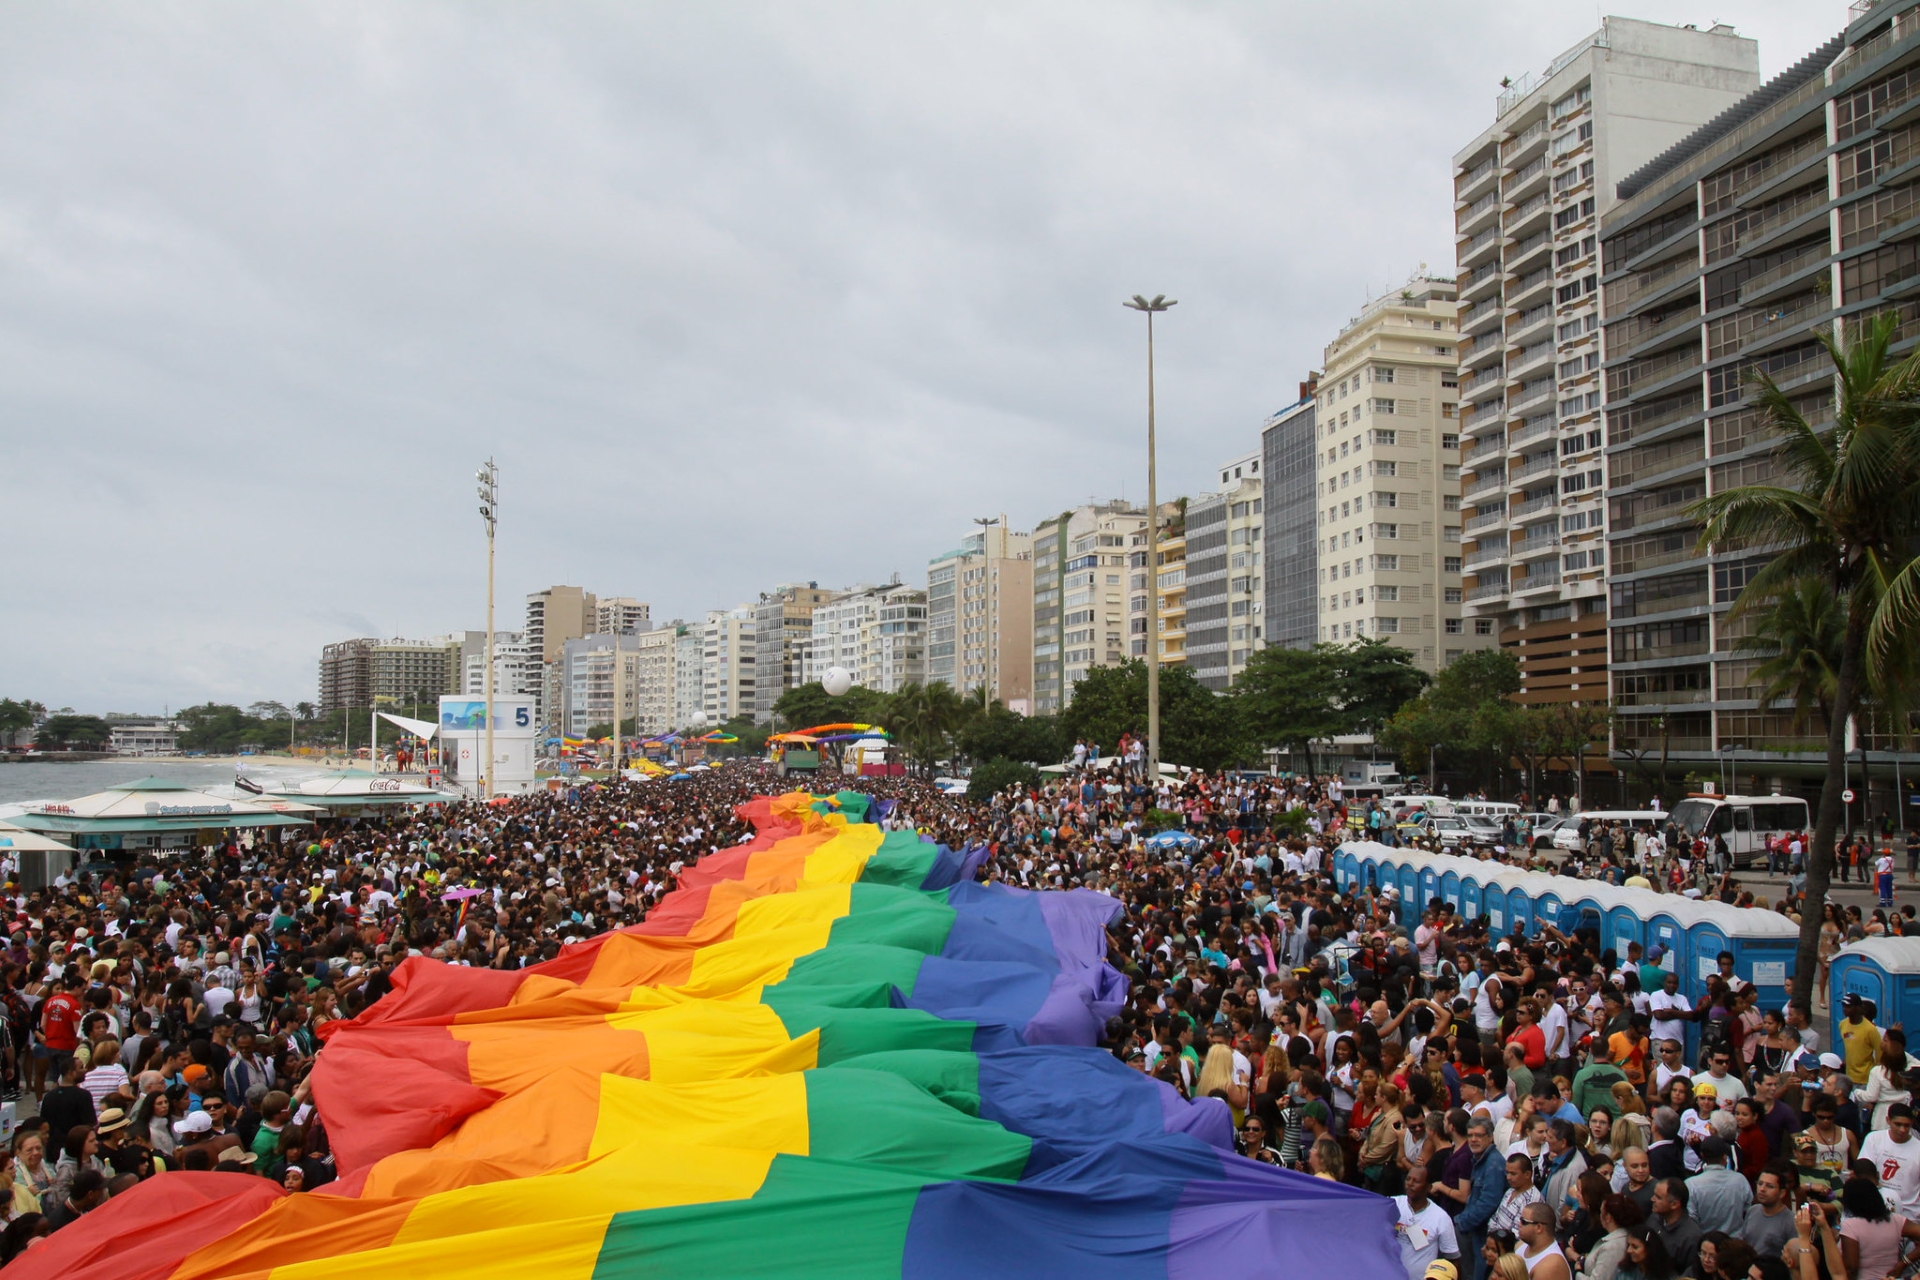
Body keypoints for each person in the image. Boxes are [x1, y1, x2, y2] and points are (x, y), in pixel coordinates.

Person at [1395, 1164, 1460, 1280]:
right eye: (1408, 1179)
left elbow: (1452, 1259)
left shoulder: (1441, 1218)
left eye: (1416, 1181)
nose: (1410, 1184)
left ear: (1429, 1187)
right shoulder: (1392, 1205)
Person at [1860, 1100, 1920, 1218]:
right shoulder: (1874, 1139)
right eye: (1898, 1124)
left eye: (1907, 1125)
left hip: (1909, 1213)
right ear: (1888, 1120)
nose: (1902, 1130)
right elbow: (1864, 1170)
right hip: (1876, 1208)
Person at [1683, 1135, 1750, 1235]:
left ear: (1702, 1155)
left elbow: (1691, 1218)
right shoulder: (1740, 1180)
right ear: (1725, 1157)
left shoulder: (1691, 1184)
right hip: (1734, 1243)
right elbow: (1748, 1210)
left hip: (1705, 1244)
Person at [1740, 1161, 1797, 1262]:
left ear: (1782, 1192)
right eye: (1760, 1184)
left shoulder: (1791, 1221)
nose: (1762, 1189)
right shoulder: (1752, 1211)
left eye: (1770, 1186)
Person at [1512, 1203, 1570, 1280]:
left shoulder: (1551, 1266)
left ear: (1539, 1227)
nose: (1519, 1224)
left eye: (1523, 1221)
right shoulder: (1521, 1245)